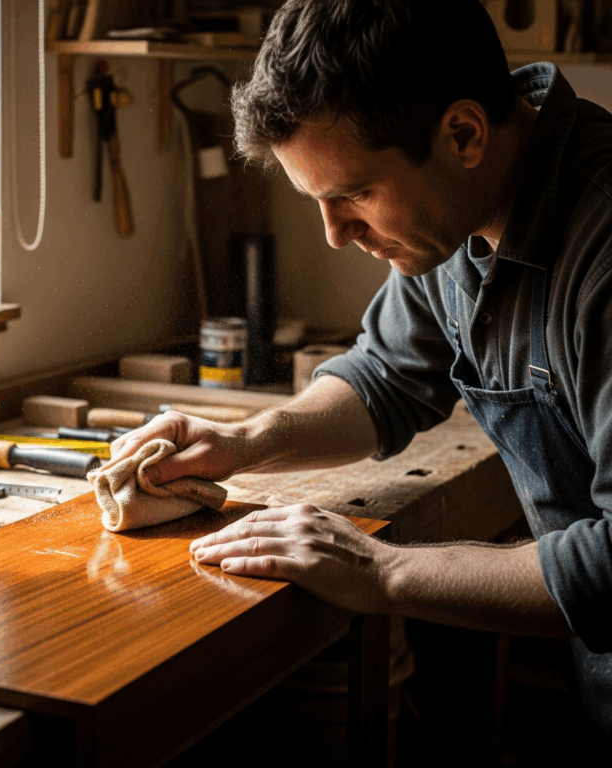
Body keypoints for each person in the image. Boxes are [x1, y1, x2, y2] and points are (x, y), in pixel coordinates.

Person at [109, 0, 612, 733]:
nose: (337, 235)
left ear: (463, 133)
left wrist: (383, 572)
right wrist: (246, 442)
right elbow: (385, 376)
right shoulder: (456, 215)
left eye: (352, 196)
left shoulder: (602, 247)